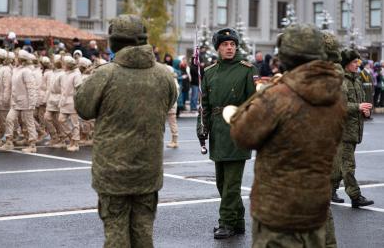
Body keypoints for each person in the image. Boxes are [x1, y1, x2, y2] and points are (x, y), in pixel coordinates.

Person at [229, 24, 346, 247]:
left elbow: (242, 135)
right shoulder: (335, 94)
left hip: (278, 212)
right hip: (315, 208)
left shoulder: (279, 95)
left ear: (287, 57)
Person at [74, 14, 177, 248]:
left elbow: (84, 108)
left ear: (114, 42)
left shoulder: (105, 74)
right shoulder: (163, 75)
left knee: (116, 230)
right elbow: (170, 101)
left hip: (113, 171)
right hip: (148, 170)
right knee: (143, 230)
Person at [196, 28, 256, 239]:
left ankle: (226, 223)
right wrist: (201, 129)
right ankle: (238, 221)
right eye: (225, 45)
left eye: (232, 44)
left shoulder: (246, 70)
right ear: (218, 48)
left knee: (231, 183)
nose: (229, 47)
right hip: (218, 132)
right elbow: (204, 104)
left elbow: (255, 103)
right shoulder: (210, 72)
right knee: (222, 182)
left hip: (237, 130)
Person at [331, 49, 374, 208]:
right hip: (343, 130)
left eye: (358, 61)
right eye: (354, 62)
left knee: (339, 164)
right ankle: (355, 196)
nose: (358, 64)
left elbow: (361, 104)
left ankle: (329, 190)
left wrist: (365, 111)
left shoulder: (356, 80)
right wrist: (358, 107)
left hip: (354, 130)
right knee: (348, 165)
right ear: (347, 64)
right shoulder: (341, 81)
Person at [0, 50, 38, 153]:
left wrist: (32, 103)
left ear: (21, 59)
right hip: (16, 102)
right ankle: (8, 142)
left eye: (17, 57)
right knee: (9, 119)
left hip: (26, 102)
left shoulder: (27, 71)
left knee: (29, 123)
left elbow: (31, 88)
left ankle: (32, 144)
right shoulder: (17, 70)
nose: (15, 59)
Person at [58, 56, 82, 152]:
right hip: (64, 102)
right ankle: (72, 137)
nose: (62, 65)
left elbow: (79, 89)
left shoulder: (76, 75)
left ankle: (76, 143)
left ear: (68, 65)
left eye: (64, 63)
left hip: (73, 101)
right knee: (61, 120)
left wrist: (78, 102)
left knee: (75, 123)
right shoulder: (64, 74)